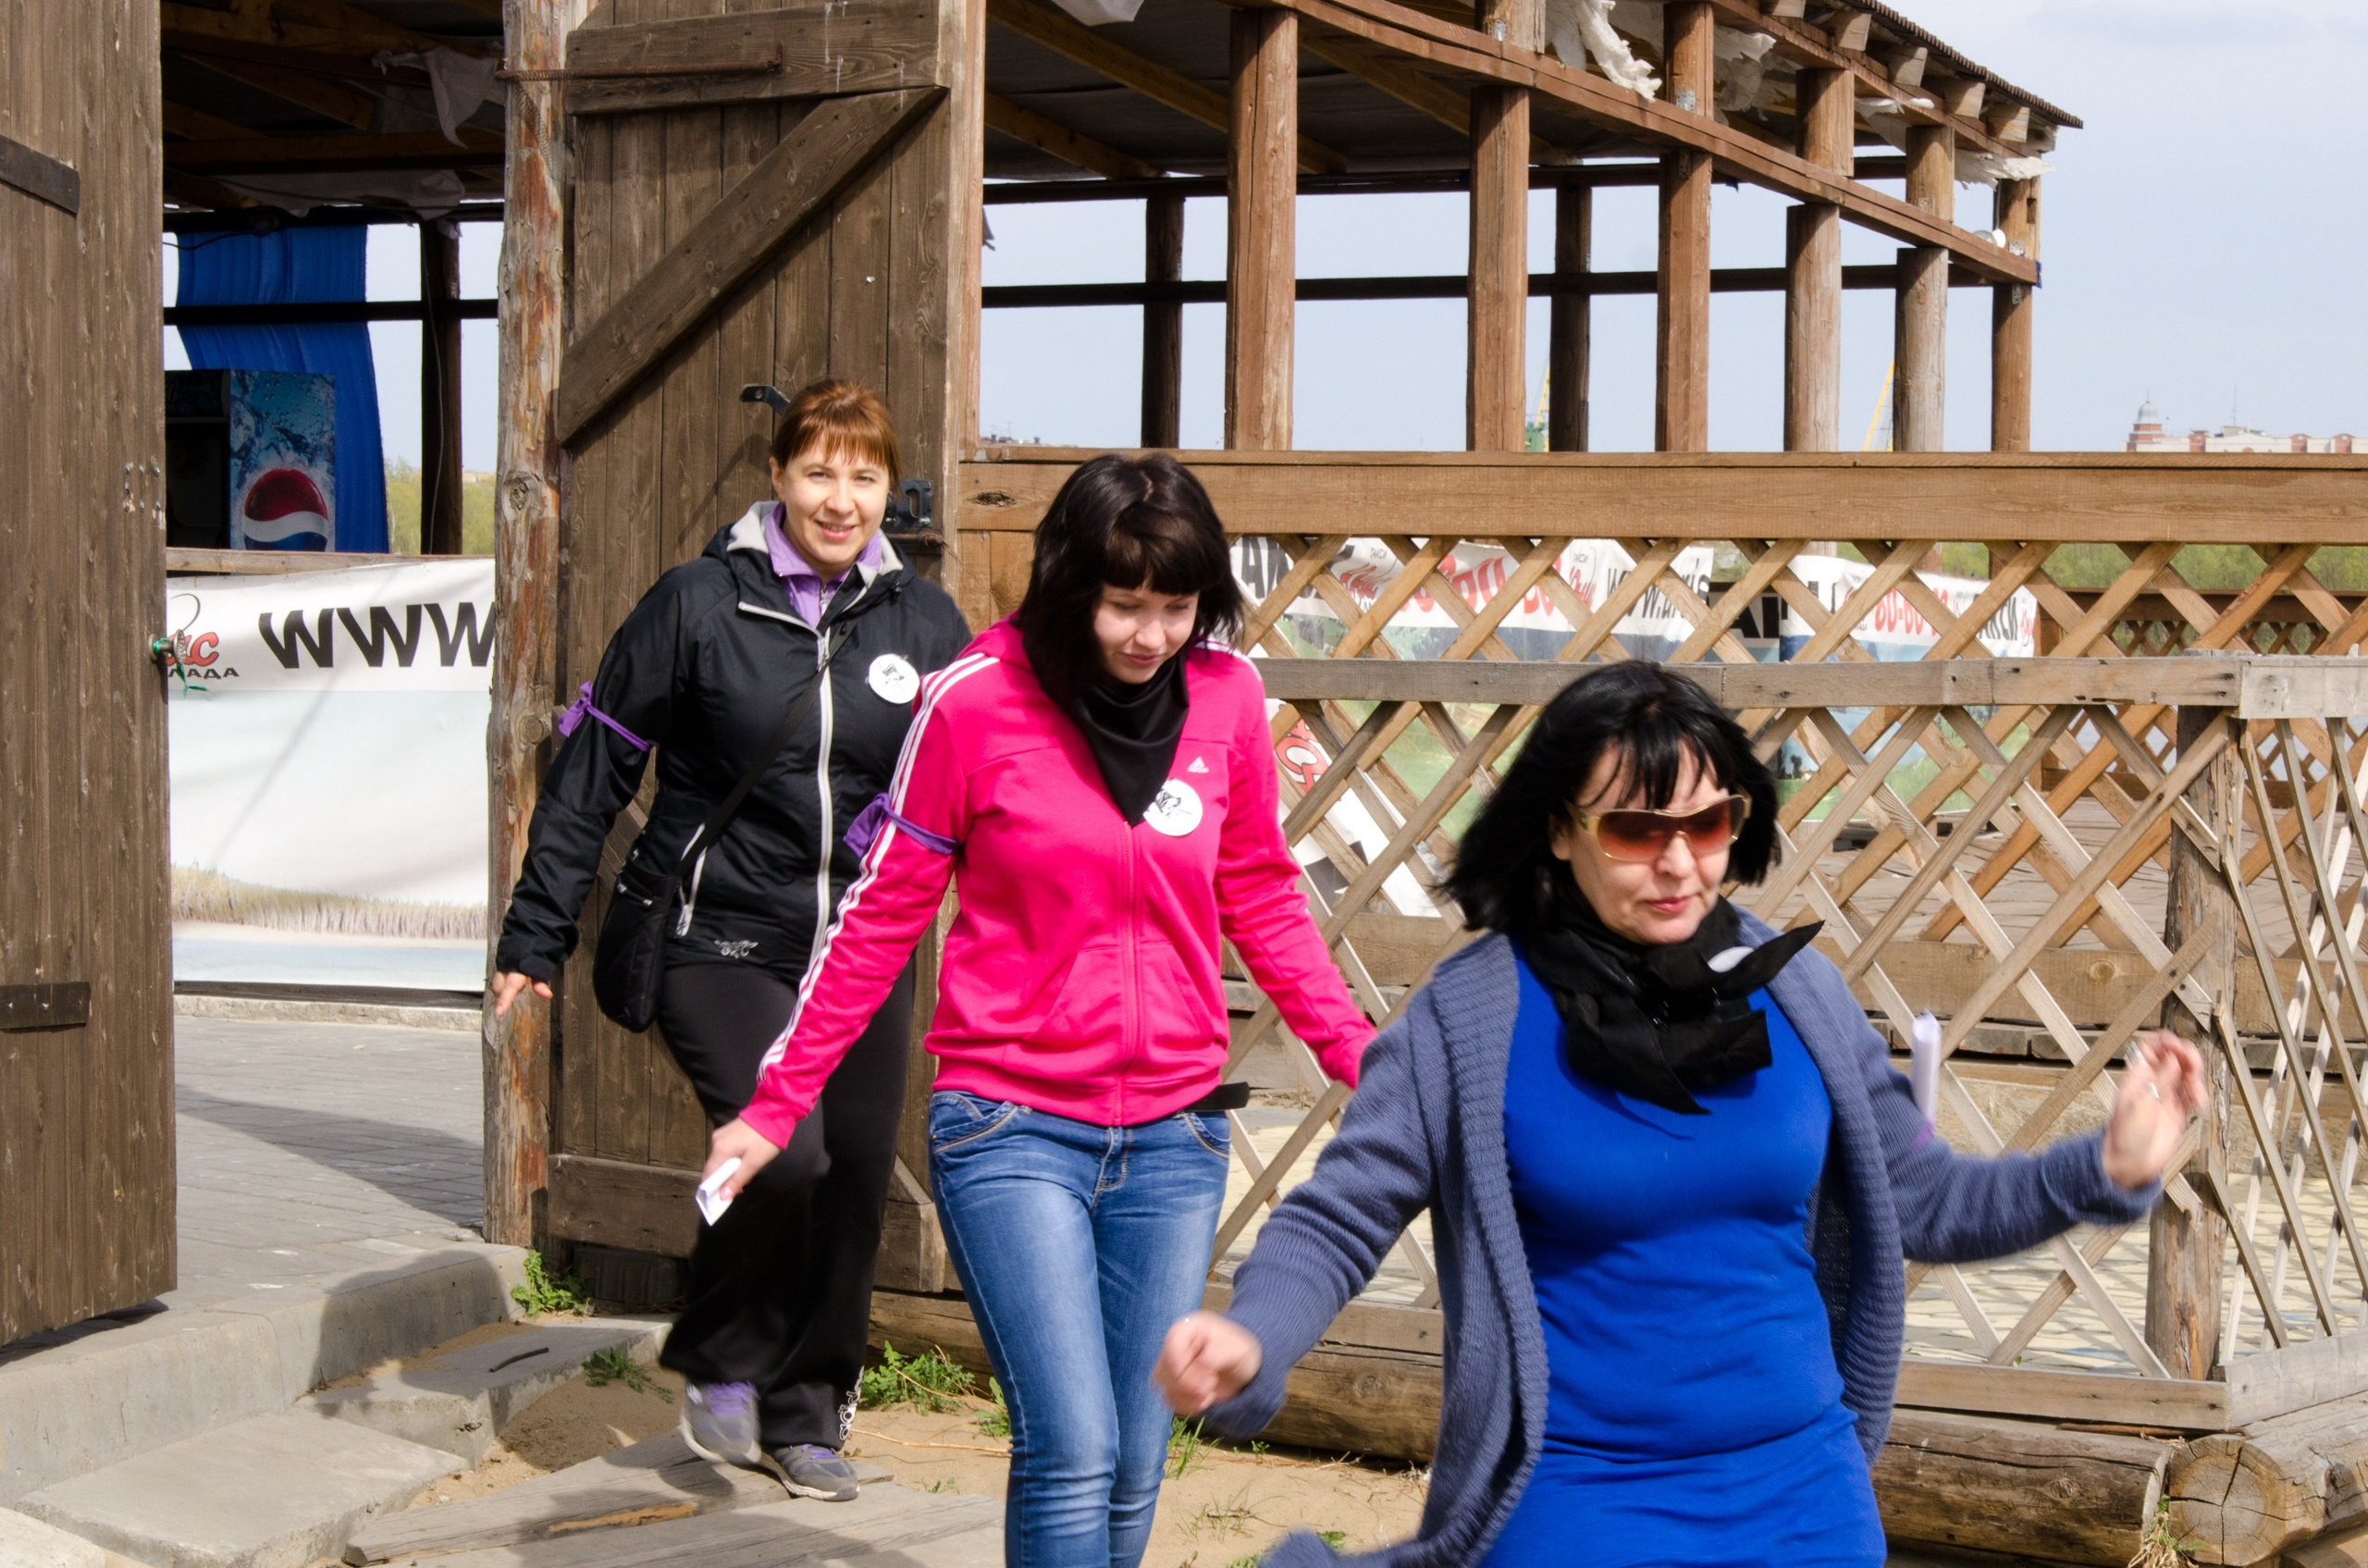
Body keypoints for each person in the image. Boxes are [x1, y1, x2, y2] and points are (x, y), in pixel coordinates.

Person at [1153, 661, 2210, 1568]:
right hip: (1575, 1498)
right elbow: (1338, 1217)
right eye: (1634, 828)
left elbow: (1922, 1197)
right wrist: (1251, 1337)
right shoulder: (1467, 1018)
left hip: (1804, 1496)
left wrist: (2104, 1169)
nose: (1677, 861)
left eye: (1707, 823)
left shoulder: (1793, 990)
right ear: (1558, 835)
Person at [701, 451, 1374, 1568]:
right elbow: (881, 916)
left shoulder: (1229, 697)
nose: (1150, 635)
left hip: (1174, 1131)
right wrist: (777, 1105)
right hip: (1010, 1125)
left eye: (1176, 606)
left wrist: (1358, 1053)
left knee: (1136, 1454)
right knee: (1070, 1445)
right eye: (1124, 605)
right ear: (1069, 587)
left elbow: (1256, 888)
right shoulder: (977, 698)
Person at [489, 379, 969, 1500]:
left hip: (857, 948)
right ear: (776, 477)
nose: (840, 500)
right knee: (783, 1152)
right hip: (717, 934)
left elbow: (978, 781)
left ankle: (806, 1419)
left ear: (888, 490)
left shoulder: (924, 623)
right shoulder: (697, 603)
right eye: (818, 473)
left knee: (851, 1180)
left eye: (863, 477)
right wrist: (535, 934)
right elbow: (594, 773)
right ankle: (719, 1350)